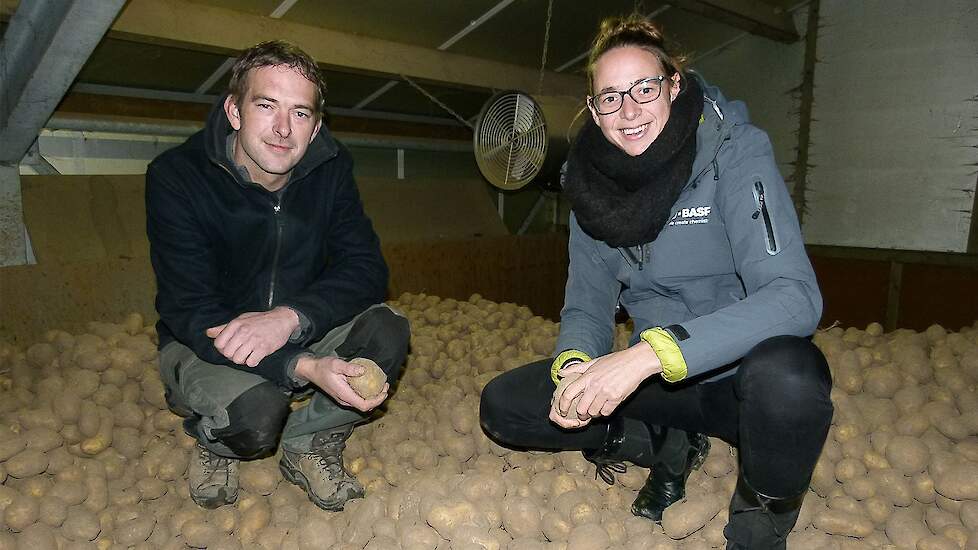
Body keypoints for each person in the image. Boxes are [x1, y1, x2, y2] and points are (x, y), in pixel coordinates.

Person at [480, 14, 832, 549]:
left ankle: (760, 520)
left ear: (674, 85)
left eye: (645, 88)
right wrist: (577, 367)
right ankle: (662, 443)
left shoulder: (733, 154)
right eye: (610, 97)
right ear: (594, 112)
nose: (629, 110)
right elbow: (586, 306)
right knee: (505, 405)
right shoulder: (590, 190)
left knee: (793, 379)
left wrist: (646, 356)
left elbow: (795, 297)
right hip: (658, 388)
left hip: (736, 383)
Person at [146, 41, 409, 512]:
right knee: (255, 418)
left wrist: (290, 319)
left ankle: (310, 442)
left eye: (301, 113)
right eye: (266, 105)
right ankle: (214, 439)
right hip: (207, 340)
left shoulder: (331, 171)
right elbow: (190, 308)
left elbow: (366, 267)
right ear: (234, 110)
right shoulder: (177, 178)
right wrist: (302, 367)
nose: (283, 129)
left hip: (297, 327)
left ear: (317, 126)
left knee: (387, 329)